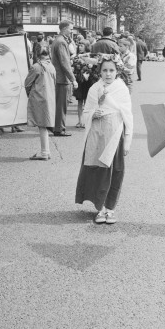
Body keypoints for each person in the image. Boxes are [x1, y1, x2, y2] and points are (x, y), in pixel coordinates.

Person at [75, 54, 133, 224]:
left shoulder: (121, 89)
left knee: (114, 170)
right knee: (98, 170)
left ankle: (110, 208)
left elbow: (127, 115)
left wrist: (128, 140)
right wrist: (94, 114)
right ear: (99, 71)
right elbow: (87, 112)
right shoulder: (94, 88)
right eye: (105, 70)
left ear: (117, 71)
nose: (108, 74)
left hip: (114, 133)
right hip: (97, 134)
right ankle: (100, 208)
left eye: (111, 70)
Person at [24, 47, 56, 160]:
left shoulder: (36, 67)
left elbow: (27, 83)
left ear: (37, 55)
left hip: (38, 97)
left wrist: (29, 93)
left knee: (42, 125)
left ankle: (44, 153)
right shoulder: (52, 67)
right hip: (50, 97)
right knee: (45, 125)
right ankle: (46, 152)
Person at [51, 20, 78, 136]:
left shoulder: (58, 40)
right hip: (62, 79)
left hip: (59, 77)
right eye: (70, 29)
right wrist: (73, 79)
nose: (71, 31)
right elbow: (64, 63)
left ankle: (57, 127)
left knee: (59, 105)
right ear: (64, 28)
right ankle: (59, 129)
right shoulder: (61, 42)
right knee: (62, 105)